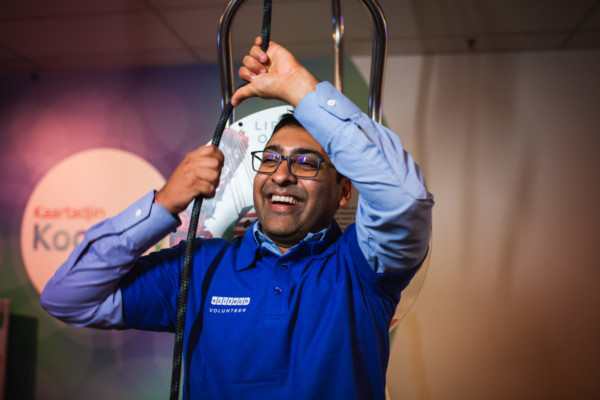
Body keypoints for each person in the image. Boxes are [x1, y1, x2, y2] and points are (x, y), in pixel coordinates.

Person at [40, 37, 434, 400]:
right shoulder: (200, 267)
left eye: (306, 163)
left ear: (343, 191)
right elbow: (67, 297)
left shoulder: (363, 267)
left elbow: (404, 199)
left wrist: (299, 86)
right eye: (273, 158)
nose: (281, 174)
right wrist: (163, 204)